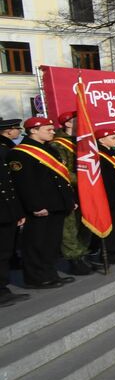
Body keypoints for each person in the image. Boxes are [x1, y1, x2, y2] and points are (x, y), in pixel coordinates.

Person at [7, 117, 76, 289]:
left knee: (52, 242)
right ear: (33, 130)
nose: (53, 132)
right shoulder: (20, 153)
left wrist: (69, 200)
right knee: (36, 243)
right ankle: (35, 277)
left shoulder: (49, 149)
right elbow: (25, 184)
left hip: (56, 204)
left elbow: (61, 179)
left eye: (52, 129)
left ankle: (50, 274)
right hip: (40, 207)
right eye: (49, 129)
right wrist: (35, 206)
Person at [46, 110, 93, 275]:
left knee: (86, 222)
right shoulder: (57, 144)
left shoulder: (83, 141)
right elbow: (62, 170)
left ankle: (83, 254)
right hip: (69, 190)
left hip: (87, 190)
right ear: (67, 123)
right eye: (77, 120)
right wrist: (84, 181)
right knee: (70, 226)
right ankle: (74, 259)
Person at [89, 129, 115, 263]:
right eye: (113, 138)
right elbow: (105, 180)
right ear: (101, 140)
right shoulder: (98, 156)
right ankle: (109, 253)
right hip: (109, 198)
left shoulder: (113, 154)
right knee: (110, 227)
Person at [0, 119, 30, 307]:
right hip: (3, 210)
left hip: (7, 210)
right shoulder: (5, 150)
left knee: (5, 250)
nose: (18, 131)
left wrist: (17, 211)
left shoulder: (5, 150)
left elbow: (9, 186)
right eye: (16, 128)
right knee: (2, 252)